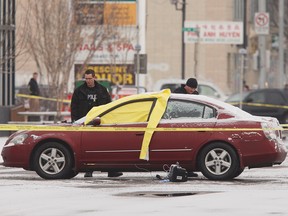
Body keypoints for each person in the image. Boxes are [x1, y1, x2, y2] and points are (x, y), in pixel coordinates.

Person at [70, 69, 123, 178]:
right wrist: (75, 121)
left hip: (101, 123)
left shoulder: (102, 90)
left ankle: (111, 170)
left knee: (106, 146)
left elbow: (109, 106)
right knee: (88, 147)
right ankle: (89, 170)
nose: (88, 81)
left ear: (94, 78)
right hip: (85, 123)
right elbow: (74, 107)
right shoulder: (79, 91)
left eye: (90, 78)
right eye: (86, 78)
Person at [173, 77, 199, 178]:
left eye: (194, 88)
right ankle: (178, 169)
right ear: (186, 86)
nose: (192, 90)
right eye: (191, 88)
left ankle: (189, 170)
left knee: (189, 149)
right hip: (178, 124)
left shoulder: (196, 95)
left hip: (191, 124)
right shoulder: (178, 93)